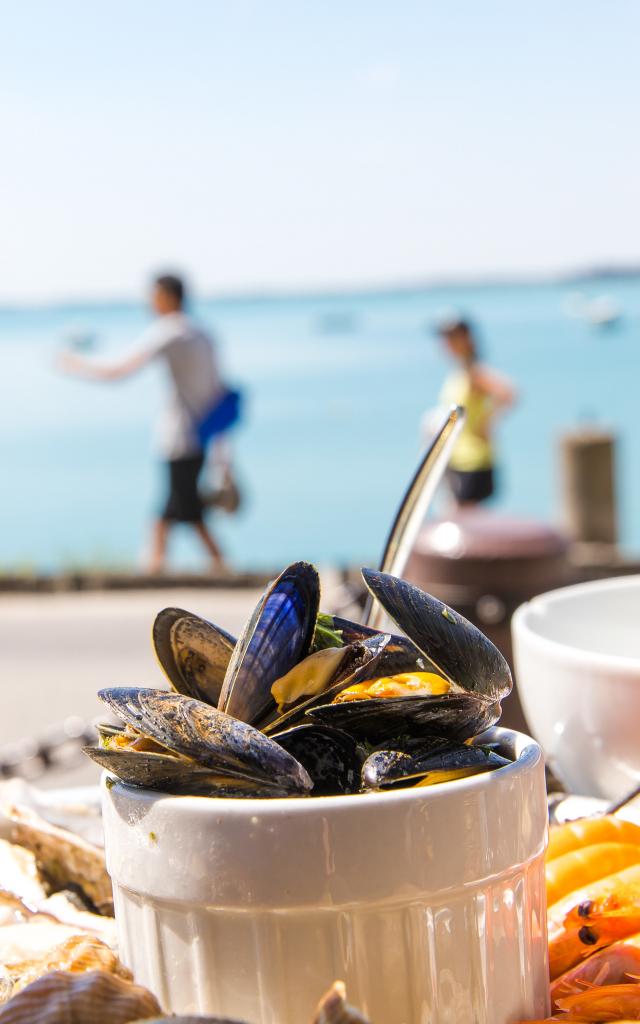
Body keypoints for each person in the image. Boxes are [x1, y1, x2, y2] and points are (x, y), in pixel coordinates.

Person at [59, 273, 228, 573]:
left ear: (167, 296)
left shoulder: (169, 332)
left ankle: (184, 570)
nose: (149, 302)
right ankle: (162, 569)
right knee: (176, 510)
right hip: (201, 435)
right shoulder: (203, 334)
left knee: (182, 511)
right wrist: (222, 448)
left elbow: (118, 370)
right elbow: (219, 393)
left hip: (179, 436)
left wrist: (75, 365)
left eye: (154, 295)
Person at [435, 316, 516, 506]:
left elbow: (508, 393)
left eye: (453, 337)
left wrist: (487, 423)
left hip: (473, 460)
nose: (447, 343)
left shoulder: (474, 372)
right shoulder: (460, 372)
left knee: (467, 521)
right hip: (457, 458)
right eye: (445, 338)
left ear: (467, 338)